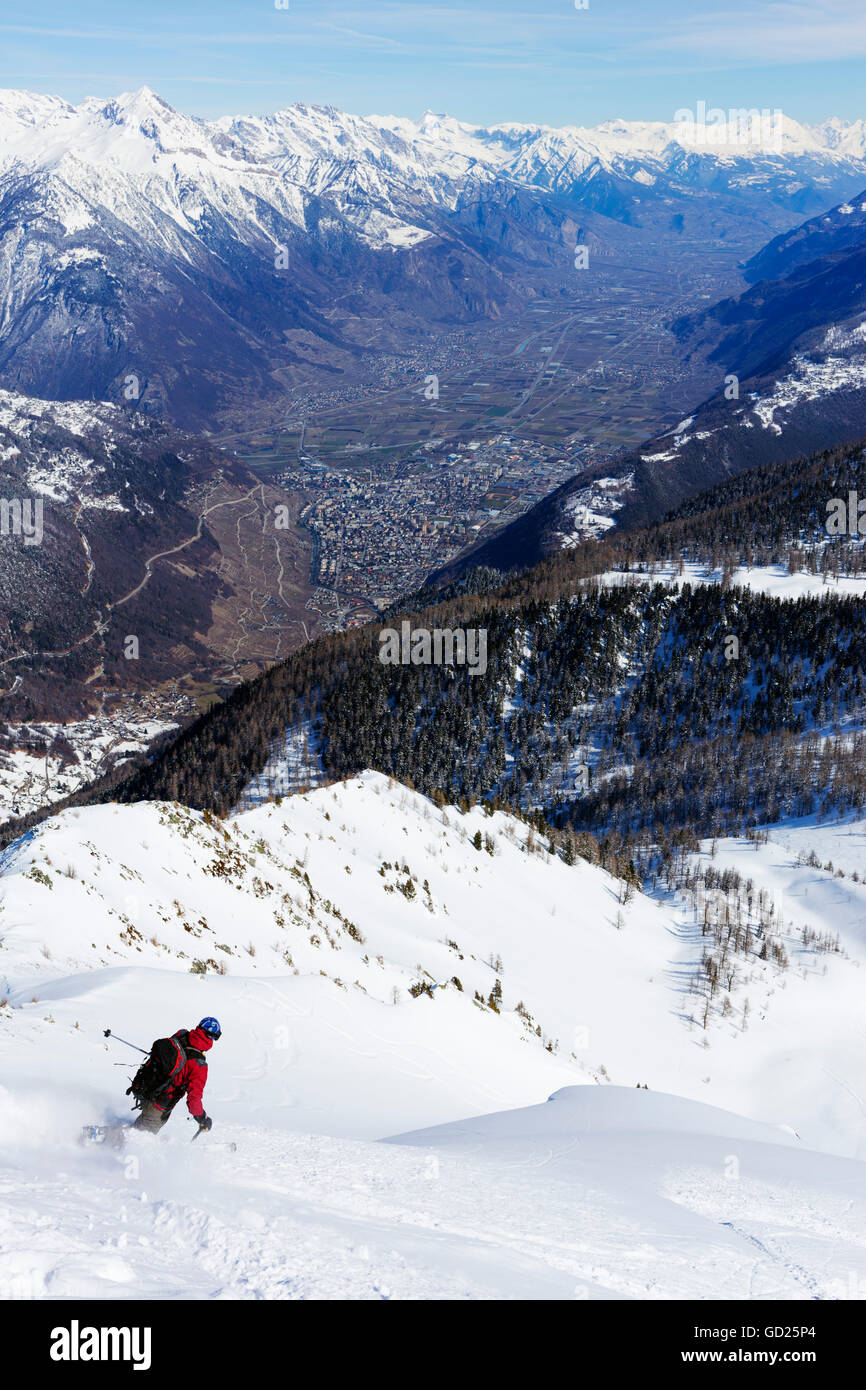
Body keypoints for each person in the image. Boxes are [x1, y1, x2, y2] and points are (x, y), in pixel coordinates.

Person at [133, 1017, 220, 1135]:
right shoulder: (199, 1066)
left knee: (137, 1132)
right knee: (138, 1138)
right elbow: (194, 1100)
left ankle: (110, 1141)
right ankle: (105, 1142)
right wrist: (202, 1117)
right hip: (160, 1105)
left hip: (147, 1088)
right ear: (211, 1037)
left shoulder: (181, 1035)